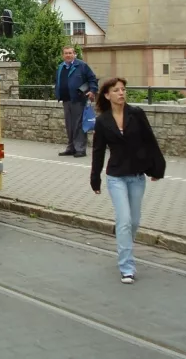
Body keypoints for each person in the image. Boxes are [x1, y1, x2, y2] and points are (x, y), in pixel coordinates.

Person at [90, 76, 165, 284]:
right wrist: (94, 179)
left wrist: (157, 169)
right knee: (124, 221)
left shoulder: (136, 114)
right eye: (116, 90)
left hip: (137, 176)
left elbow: (150, 141)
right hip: (116, 177)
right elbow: (98, 152)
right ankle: (127, 266)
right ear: (107, 95)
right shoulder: (102, 121)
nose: (121, 93)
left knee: (133, 221)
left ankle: (123, 238)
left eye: (123, 89)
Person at [54, 45, 97, 157]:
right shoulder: (61, 67)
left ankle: (80, 149)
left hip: (79, 99)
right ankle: (71, 147)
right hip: (66, 100)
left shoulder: (82, 65)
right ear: (63, 55)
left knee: (78, 125)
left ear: (74, 54)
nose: (68, 55)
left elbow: (92, 79)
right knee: (69, 126)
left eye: (70, 53)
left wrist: (92, 91)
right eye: (66, 53)